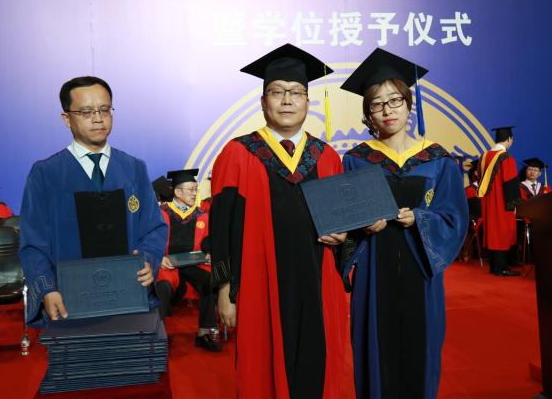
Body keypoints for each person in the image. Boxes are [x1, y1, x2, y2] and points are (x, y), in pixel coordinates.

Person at [209, 43, 347, 398]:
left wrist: (346, 238)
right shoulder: (238, 154)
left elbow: (343, 225)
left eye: (296, 92)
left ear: (307, 102)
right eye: (277, 92)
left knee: (318, 366)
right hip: (258, 287)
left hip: (318, 283)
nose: (287, 100)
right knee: (262, 370)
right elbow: (220, 230)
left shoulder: (327, 156)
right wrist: (225, 291)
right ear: (263, 101)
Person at [339, 48, 468, 399]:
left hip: (420, 271)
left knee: (419, 350)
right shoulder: (356, 160)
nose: (388, 110)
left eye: (395, 100)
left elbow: (454, 219)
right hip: (373, 272)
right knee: (375, 351)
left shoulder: (438, 160)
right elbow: (343, 224)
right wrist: (362, 228)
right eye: (377, 104)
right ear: (368, 113)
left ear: (409, 104)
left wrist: (420, 219)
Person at [19, 76, 167, 326]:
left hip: (129, 294)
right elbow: (33, 242)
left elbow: (154, 228)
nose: (98, 118)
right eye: (86, 112)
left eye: (105, 109)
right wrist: (46, 289)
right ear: (66, 118)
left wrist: (148, 260)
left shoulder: (133, 169)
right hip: (70, 301)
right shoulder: (46, 173)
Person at [155, 169, 221, 352]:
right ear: (177, 192)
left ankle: (204, 332)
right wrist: (158, 258)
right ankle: (158, 335)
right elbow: (150, 240)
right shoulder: (160, 213)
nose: (194, 193)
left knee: (210, 281)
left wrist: (210, 252)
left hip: (194, 264)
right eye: (191, 189)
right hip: (168, 265)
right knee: (163, 286)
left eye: (196, 189)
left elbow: (210, 240)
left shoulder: (202, 214)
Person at [477, 126, 521, 276]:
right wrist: (514, 205)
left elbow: (479, 177)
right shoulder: (506, 158)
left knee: (492, 231)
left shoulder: (484, 156)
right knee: (502, 230)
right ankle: (502, 267)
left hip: (487, 201)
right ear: (509, 139)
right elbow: (510, 183)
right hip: (502, 201)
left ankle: (494, 267)